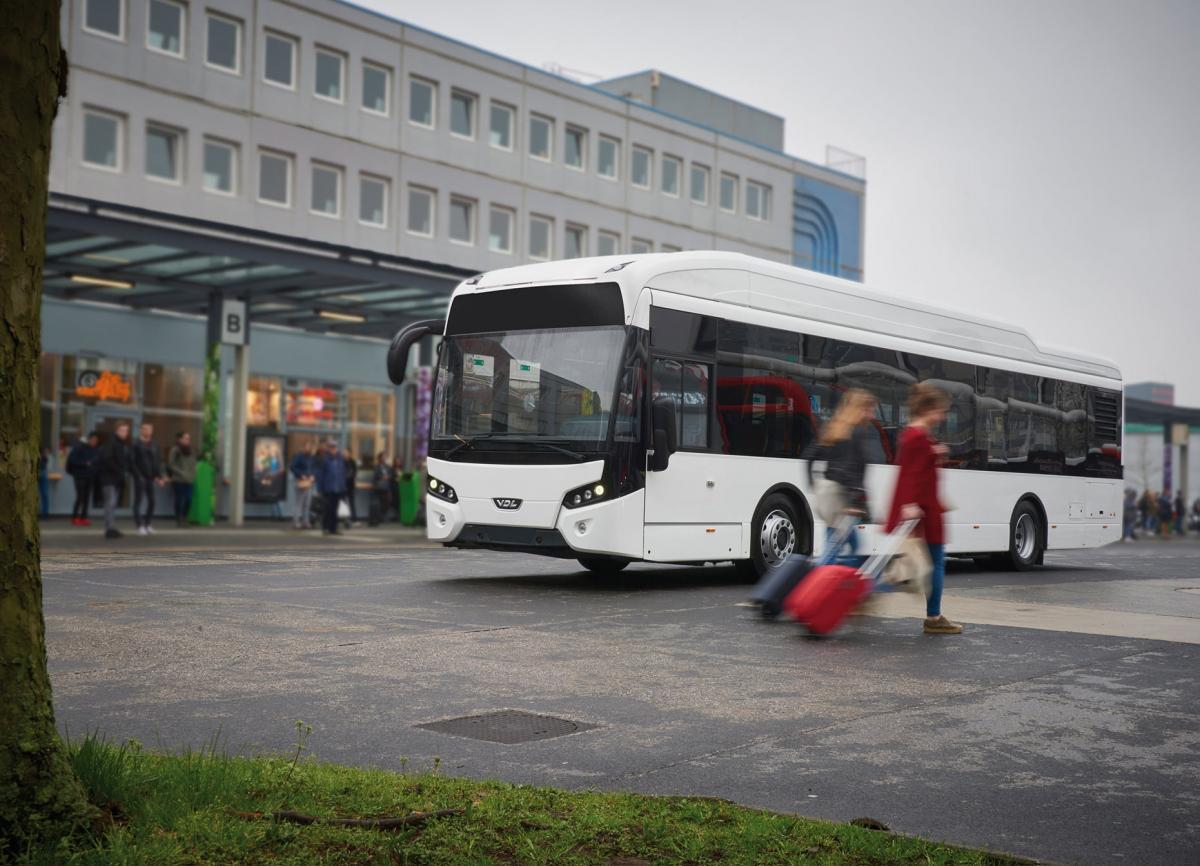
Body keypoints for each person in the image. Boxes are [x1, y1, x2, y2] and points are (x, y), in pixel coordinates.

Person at [885, 383, 962, 635]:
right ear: (928, 409)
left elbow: (912, 470)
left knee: (920, 563)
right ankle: (934, 617)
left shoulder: (914, 435)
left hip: (926, 508)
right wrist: (910, 505)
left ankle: (933, 614)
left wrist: (935, 451)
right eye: (940, 411)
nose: (942, 417)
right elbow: (912, 475)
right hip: (925, 511)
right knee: (935, 563)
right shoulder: (918, 437)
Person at [802, 388, 877, 564]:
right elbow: (849, 469)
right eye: (870, 409)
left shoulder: (833, 428)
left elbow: (809, 456)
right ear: (860, 409)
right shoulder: (856, 432)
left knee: (849, 544)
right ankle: (819, 584)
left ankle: (842, 584)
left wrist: (812, 483)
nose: (872, 415)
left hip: (829, 496)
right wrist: (852, 503)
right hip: (844, 500)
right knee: (834, 549)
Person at [97, 422, 132, 539]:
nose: (125, 433)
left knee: (112, 504)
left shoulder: (119, 443)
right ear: (117, 430)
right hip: (109, 478)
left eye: (126, 431)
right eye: (122, 430)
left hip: (114, 478)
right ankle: (109, 529)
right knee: (110, 504)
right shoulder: (112, 442)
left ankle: (111, 527)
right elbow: (107, 459)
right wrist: (119, 471)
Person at [130, 423, 166, 535]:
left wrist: (159, 477)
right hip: (140, 477)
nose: (148, 431)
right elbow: (132, 462)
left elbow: (157, 461)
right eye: (145, 429)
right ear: (141, 430)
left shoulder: (154, 444)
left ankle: (147, 524)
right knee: (138, 501)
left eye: (150, 429)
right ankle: (139, 526)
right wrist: (137, 475)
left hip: (151, 477)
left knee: (152, 502)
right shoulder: (135, 443)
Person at [67, 432, 101, 526]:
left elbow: (97, 462)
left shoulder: (95, 450)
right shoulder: (79, 448)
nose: (94, 442)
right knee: (80, 497)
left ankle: (84, 517)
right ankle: (74, 517)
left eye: (96, 441)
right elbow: (72, 460)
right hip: (80, 476)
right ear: (89, 439)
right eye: (93, 440)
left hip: (90, 476)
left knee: (87, 498)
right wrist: (85, 464)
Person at [316, 440, 347, 535]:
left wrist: (343, 487)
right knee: (328, 509)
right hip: (328, 488)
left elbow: (342, 473)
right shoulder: (325, 459)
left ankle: (334, 528)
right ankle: (325, 528)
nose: (333, 449)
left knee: (336, 509)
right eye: (331, 448)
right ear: (329, 449)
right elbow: (320, 475)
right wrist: (320, 488)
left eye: (334, 447)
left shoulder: (340, 459)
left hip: (338, 488)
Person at [167, 431, 197, 526]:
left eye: (188, 438)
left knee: (189, 499)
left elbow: (193, 463)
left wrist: (193, 473)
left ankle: (184, 517)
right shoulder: (175, 450)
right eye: (185, 438)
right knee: (179, 500)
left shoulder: (191, 450)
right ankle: (178, 519)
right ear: (180, 439)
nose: (187, 440)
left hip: (189, 479)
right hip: (178, 479)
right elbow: (171, 464)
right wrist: (181, 473)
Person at [290, 440, 317, 529]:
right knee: (299, 502)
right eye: (307, 447)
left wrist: (313, 475)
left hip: (309, 482)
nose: (308, 449)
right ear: (304, 448)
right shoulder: (299, 457)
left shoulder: (311, 458)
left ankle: (305, 521)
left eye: (310, 447)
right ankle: (296, 521)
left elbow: (313, 468)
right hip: (300, 481)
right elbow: (292, 467)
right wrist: (301, 474)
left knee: (307, 503)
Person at [370, 452, 394, 526]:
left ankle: (383, 516)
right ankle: (379, 518)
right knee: (379, 503)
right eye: (382, 457)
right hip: (379, 488)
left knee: (386, 503)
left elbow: (392, 476)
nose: (384, 459)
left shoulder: (388, 467)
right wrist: (381, 478)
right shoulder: (377, 467)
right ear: (379, 458)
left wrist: (388, 477)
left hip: (386, 487)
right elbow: (374, 478)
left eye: (385, 457)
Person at [342, 449, 359, 524]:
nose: (345, 454)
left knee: (352, 502)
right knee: (343, 502)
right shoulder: (341, 462)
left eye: (346, 453)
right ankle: (344, 519)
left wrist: (352, 477)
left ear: (349, 453)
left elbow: (355, 472)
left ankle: (354, 518)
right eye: (344, 453)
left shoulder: (352, 462)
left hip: (350, 484)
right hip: (343, 485)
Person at [37, 446, 51, 517]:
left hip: (42, 473)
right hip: (37, 473)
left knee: (44, 494)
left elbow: (45, 461)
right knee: (39, 495)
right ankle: (38, 512)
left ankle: (45, 513)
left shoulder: (44, 457)